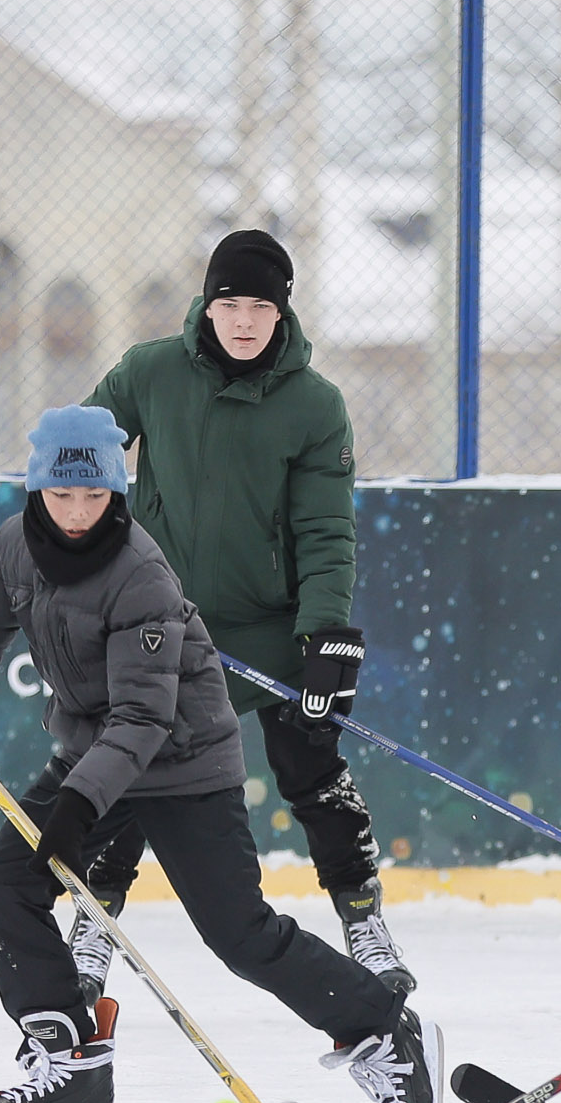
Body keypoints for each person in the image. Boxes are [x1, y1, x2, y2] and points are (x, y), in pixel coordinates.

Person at [0, 405, 440, 1103]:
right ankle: (71, 1060)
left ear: (114, 494)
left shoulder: (140, 575)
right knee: (2, 883)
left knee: (241, 936)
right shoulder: (14, 549)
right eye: (60, 497)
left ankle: (381, 1027)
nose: (75, 513)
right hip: (93, 755)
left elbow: (142, 718)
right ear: (36, 492)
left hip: (184, 764)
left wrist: (77, 802)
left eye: (92, 496)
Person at [78, 230, 409, 998]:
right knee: (127, 778)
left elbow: (326, 530)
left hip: (273, 634)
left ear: (282, 313)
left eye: (261, 305)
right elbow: (81, 459)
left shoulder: (315, 405)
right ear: (209, 304)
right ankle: (93, 923)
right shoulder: (149, 371)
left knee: (316, 776)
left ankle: (363, 919)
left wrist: (327, 635)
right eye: (231, 303)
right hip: (162, 629)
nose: (245, 320)